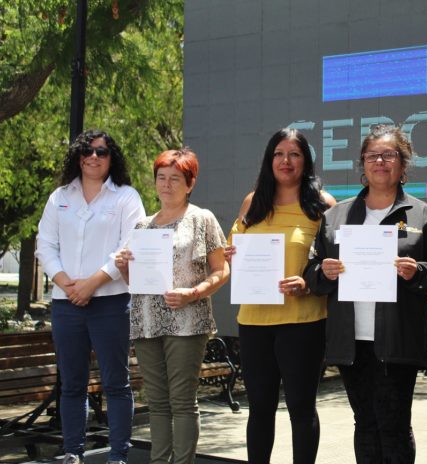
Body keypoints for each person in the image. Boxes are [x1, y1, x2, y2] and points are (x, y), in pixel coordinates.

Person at [303, 125, 427, 463]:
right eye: (372, 156)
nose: (380, 161)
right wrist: (325, 271)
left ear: (403, 164)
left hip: (397, 340)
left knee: (393, 425)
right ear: (362, 164)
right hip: (351, 342)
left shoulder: (424, 216)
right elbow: (311, 273)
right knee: (364, 423)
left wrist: (417, 271)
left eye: (389, 155)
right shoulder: (336, 216)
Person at [225, 128, 335, 464]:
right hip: (254, 321)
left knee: (301, 409)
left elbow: (331, 266)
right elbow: (233, 246)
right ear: (269, 159)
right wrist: (232, 254)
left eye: (294, 154)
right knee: (259, 409)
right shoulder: (253, 201)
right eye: (278, 154)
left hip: (302, 322)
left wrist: (307, 282)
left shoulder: (322, 205)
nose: (285, 161)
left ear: (306, 161)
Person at [36, 130, 146, 464]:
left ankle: (118, 455)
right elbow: (45, 244)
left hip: (111, 302)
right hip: (65, 302)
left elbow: (129, 247)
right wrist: (67, 282)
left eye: (101, 151)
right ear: (77, 156)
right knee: (71, 383)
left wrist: (92, 283)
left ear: (112, 157)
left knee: (116, 382)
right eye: (87, 151)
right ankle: (72, 452)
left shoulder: (126, 197)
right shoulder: (59, 197)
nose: (94, 157)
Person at [114, 148, 230, 464]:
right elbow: (134, 282)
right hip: (146, 322)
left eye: (175, 178)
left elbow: (221, 271)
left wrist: (193, 293)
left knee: (181, 401)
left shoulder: (201, 219)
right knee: (157, 402)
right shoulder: (142, 226)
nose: (166, 185)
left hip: (187, 322)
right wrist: (125, 266)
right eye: (161, 178)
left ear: (190, 183)